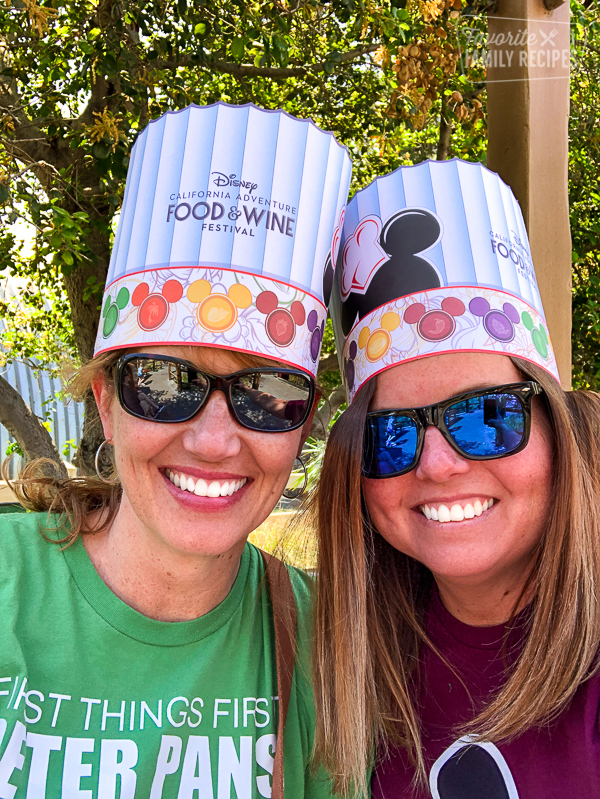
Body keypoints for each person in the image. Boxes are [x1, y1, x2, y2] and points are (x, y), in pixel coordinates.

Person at [0, 102, 351, 797]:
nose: (216, 440)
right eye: (164, 382)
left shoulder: (326, 646)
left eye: (268, 391)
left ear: (304, 423)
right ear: (104, 399)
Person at [313, 159, 600, 799]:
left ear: (558, 428)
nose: (438, 464)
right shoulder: (346, 658)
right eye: (393, 435)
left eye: (487, 417)